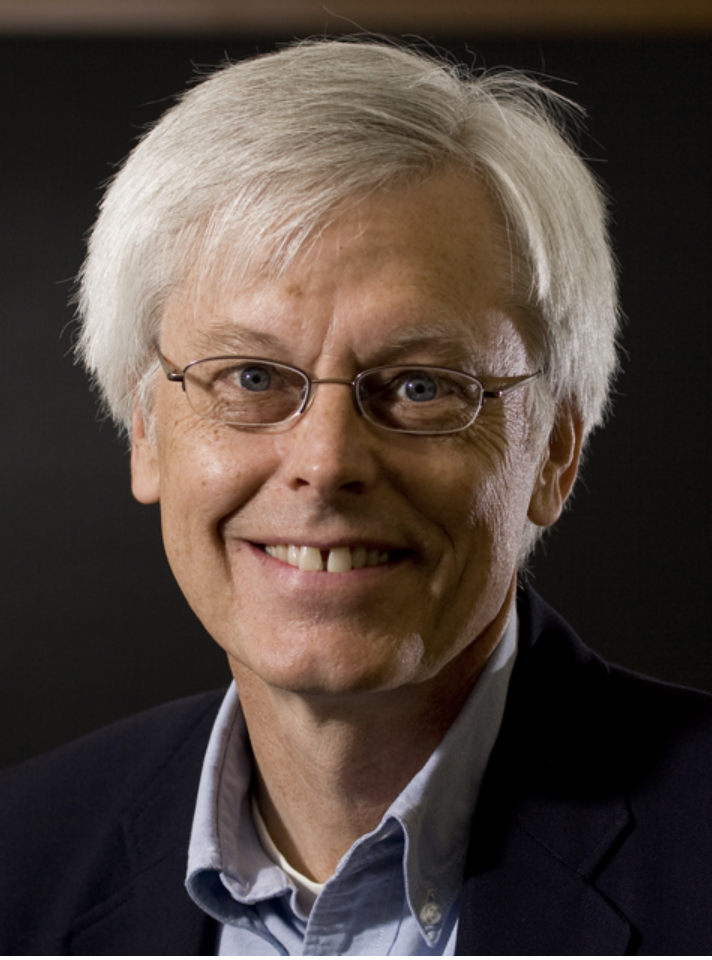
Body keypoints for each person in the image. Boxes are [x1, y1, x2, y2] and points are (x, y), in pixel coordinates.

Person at [2, 38, 711, 956]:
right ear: (145, 428)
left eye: (420, 386)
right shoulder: (23, 855)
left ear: (555, 452)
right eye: (252, 376)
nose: (326, 461)